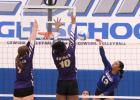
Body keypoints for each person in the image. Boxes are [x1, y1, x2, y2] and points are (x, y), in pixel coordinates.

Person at [52, 15, 79, 100]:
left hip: (61, 82)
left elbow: (55, 42)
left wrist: (56, 28)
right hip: (72, 82)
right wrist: (73, 23)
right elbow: (72, 36)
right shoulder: (70, 51)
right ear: (64, 47)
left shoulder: (55, 55)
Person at [13, 20, 38, 100]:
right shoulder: (28, 58)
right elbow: (32, 42)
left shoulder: (17, 59)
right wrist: (35, 29)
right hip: (27, 87)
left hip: (17, 89)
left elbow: (28, 43)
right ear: (27, 52)